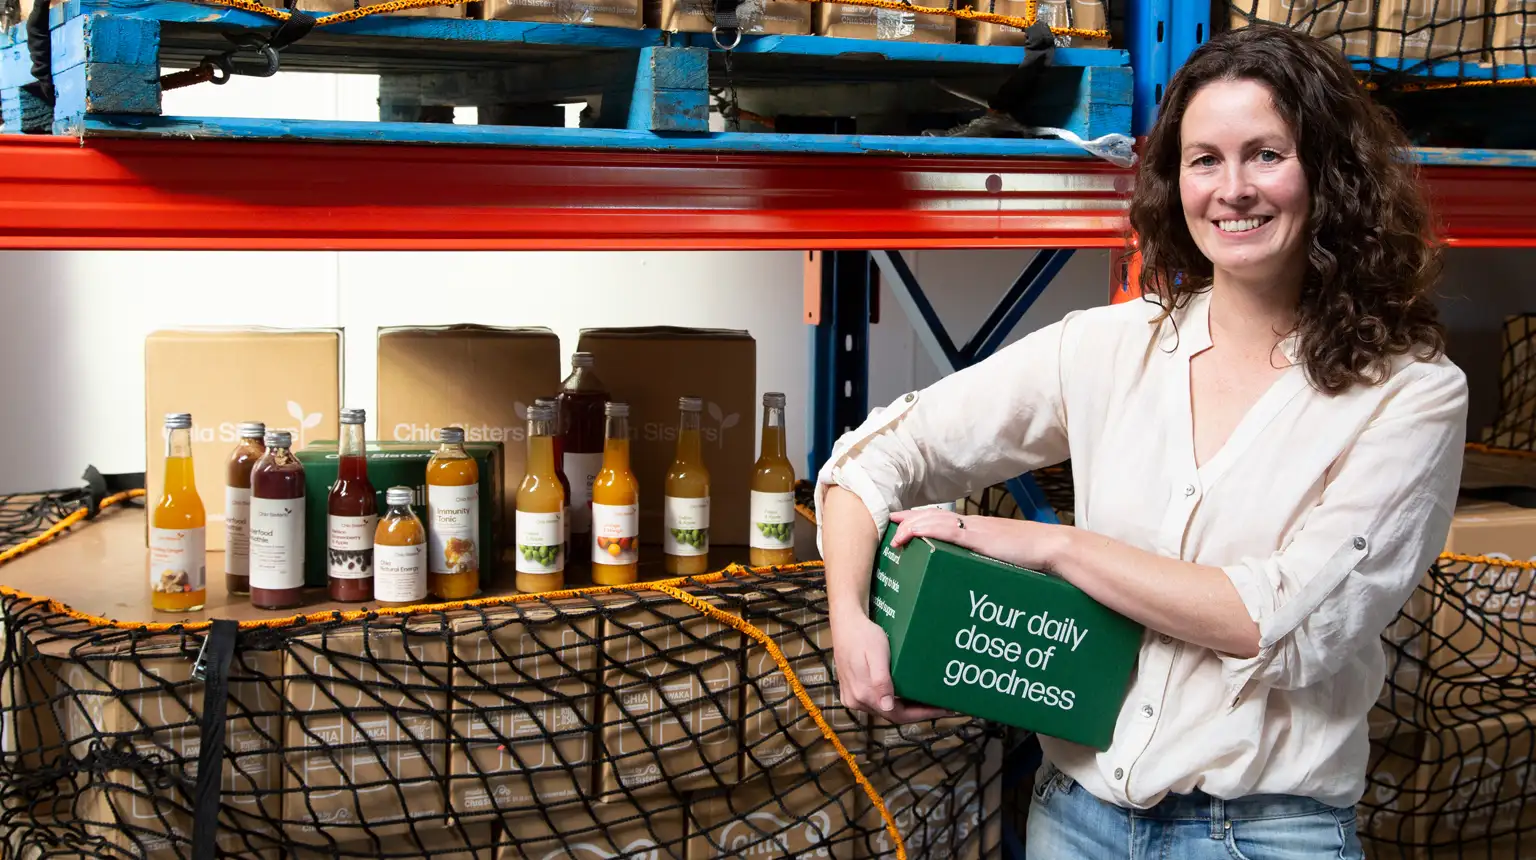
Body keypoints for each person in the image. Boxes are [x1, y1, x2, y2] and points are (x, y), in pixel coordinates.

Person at [815, 22, 1468, 860]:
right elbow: (873, 461)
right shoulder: (1109, 347)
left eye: (1267, 154)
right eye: (1205, 160)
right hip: (1073, 820)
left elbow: (1280, 619)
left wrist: (1057, 549)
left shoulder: (1410, 393)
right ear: (1176, 181)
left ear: (1331, 173)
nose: (1233, 189)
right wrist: (849, 622)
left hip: (1268, 836)